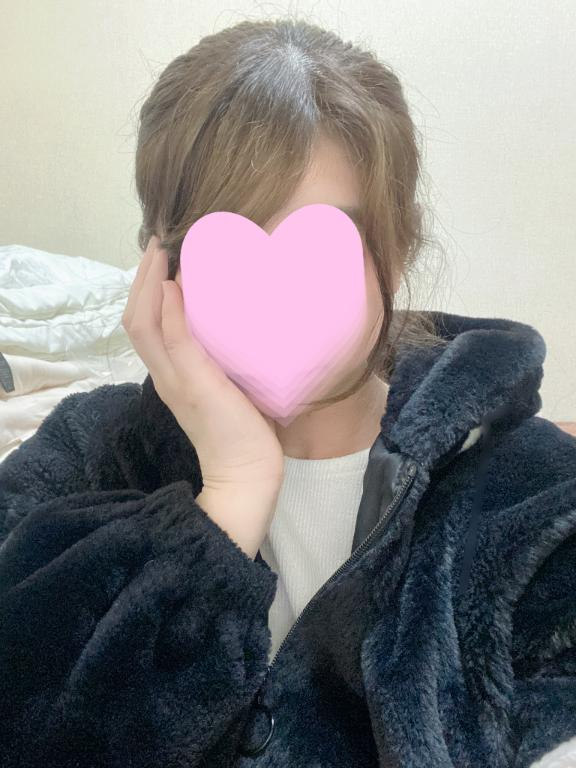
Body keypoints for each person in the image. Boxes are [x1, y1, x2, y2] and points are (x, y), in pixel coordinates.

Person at [1, 17, 575, 768]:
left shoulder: (535, 498)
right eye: (228, 247)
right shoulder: (86, 456)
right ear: (162, 265)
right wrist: (232, 494)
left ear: (396, 247)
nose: (276, 305)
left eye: (323, 246)